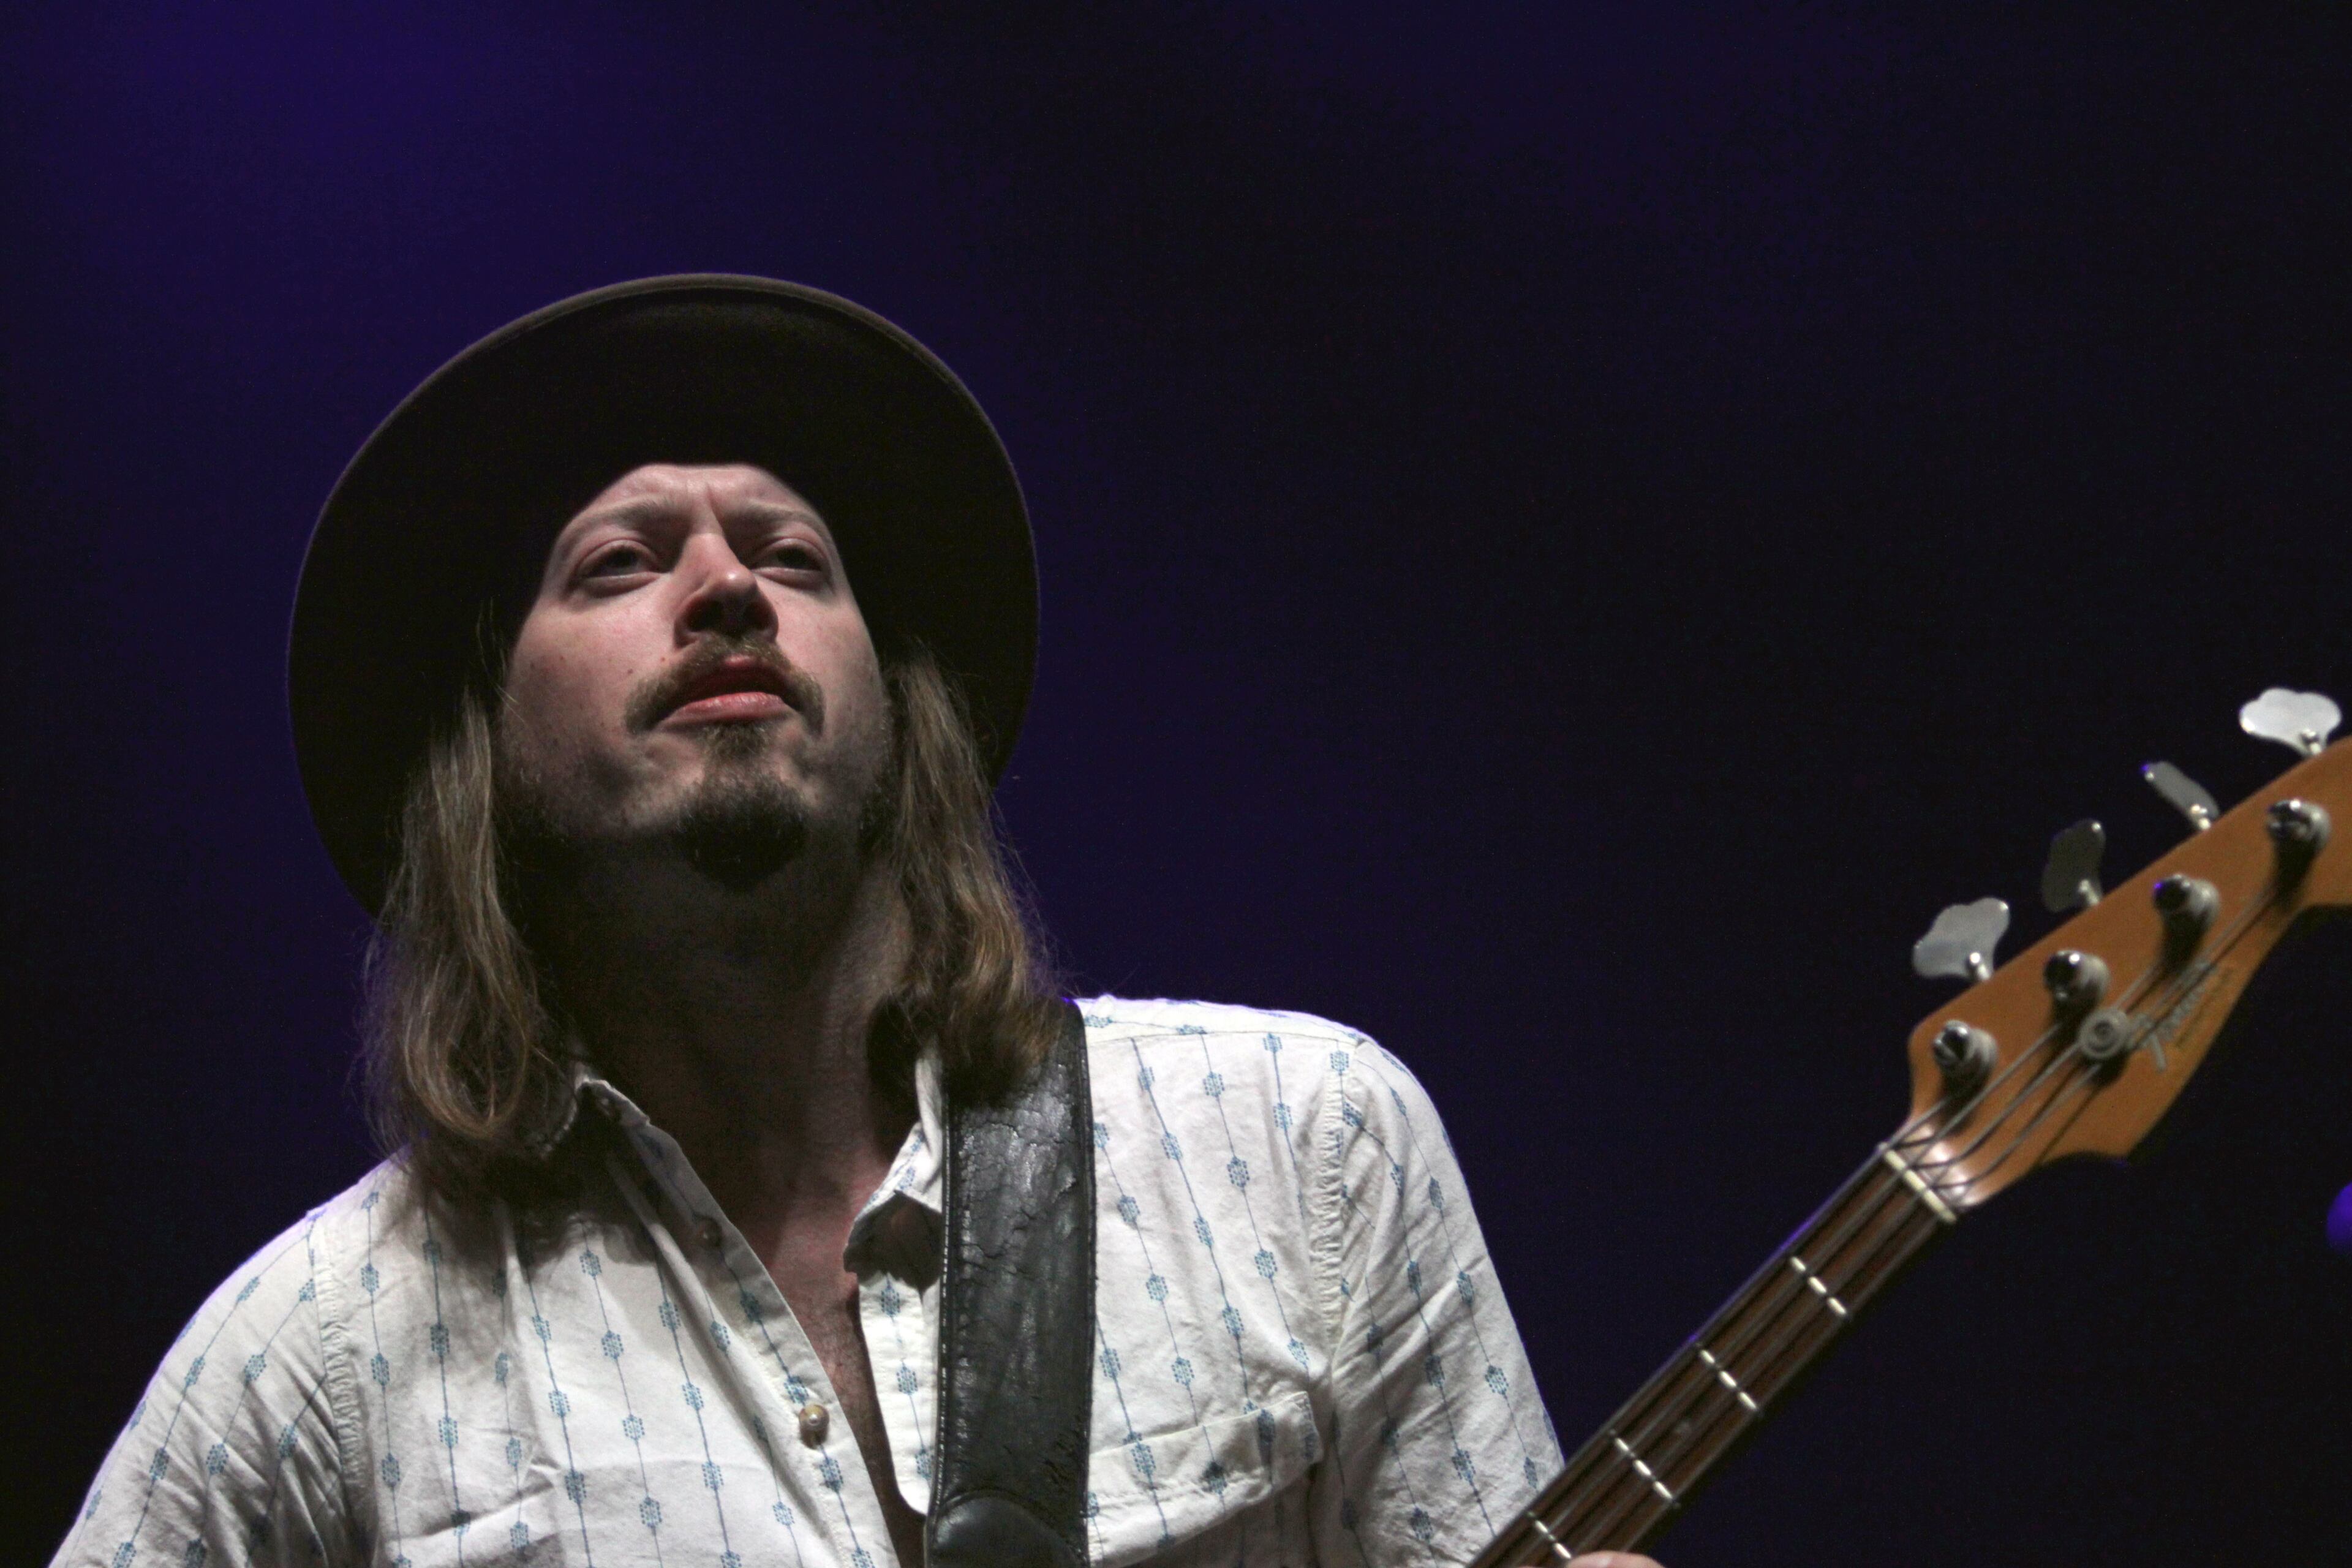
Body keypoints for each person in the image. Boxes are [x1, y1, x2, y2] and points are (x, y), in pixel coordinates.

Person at [51, 277, 1657, 1568]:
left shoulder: (1310, 1151)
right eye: (619, 562)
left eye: (793, 554)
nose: (728, 586)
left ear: (901, 715)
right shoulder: (315, 1362)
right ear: (487, 756)